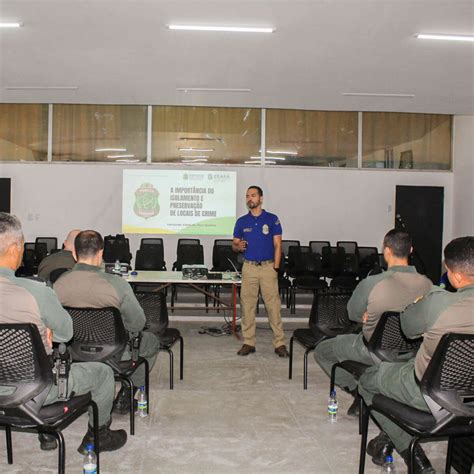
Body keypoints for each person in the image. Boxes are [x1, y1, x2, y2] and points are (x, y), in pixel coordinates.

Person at [0, 213, 126, 454]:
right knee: (102, 373)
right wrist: (45, 334)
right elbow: (65, 332)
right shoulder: (36, 292)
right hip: (34, 389)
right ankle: (99, 437)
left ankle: (44, 433)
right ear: (16, 248)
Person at [358, 236, 474, 472]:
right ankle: (386, 438)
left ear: (457, 276)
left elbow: (408, 329)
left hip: (430, 392)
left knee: (368, 380)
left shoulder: (439, 303)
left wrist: (421, 303)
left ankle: (414, 457)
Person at [314, 229, 432, 416]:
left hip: (372, 349)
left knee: (322, 351)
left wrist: (368, 313)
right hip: (412, 351)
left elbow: (352, 314)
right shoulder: (427, 284)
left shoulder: (372, 283)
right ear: (411, 250)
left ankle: (359, 391)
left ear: (386, 251)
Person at [53, 229, 160, 412]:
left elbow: (55, 324)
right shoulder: (117, 284)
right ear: (101, 252)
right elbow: (137, 323)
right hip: (115, 352)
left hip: (74, 351)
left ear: (73, 253)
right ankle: (129, 391)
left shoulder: (59, 283)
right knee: (151, 341)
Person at [232, 185, 288, 357]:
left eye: (253, 195)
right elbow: (234, 244)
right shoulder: (242, 221)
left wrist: (276, 268)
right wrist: (237, 246)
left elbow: (278, 245)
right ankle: (249, 342)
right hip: (248, 268)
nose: (250, 198)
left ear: (261, 199)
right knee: (247, 305)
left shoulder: (272, 219)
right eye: (247, 195)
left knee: (273, 306)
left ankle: (279, 343)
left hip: (268, 268)